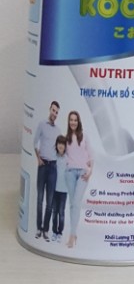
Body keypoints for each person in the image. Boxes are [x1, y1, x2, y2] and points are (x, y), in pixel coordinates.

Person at [65, 111, 93, 249]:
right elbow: (61, 154)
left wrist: (90, 172)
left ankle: (72, 235)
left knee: (76, 202)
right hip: (70, 173)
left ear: (78, 121)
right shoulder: (66, 138)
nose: (73, 122)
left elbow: (91, 156)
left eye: (75, 120)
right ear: (68, 121)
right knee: (72, 204)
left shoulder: (84, 136)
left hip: (82, 173)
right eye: (71, 120)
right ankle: (73, 233)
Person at [33, 100, 59, 241]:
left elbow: (61, 149)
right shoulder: (42, 124)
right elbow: (35, 142)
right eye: (53, 110)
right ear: (50, 109)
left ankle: (46, 230)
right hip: (43, 165)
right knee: (39, 199)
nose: (54, 113)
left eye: (56, 112)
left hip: (53, 167)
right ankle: (38, 228)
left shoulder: (58, 130)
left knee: (50, 202)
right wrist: (38, 158)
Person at [51, 136, 68, 242]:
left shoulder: (68, 158)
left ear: (65, 146)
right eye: (59, 143)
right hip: (53, 189)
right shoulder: (53, 157)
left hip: (64, 190)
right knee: (54, 212)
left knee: (61, 212)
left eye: (63, 144)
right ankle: (54, 232)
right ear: (56, 145)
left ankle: (60, 232)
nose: (61, 146)